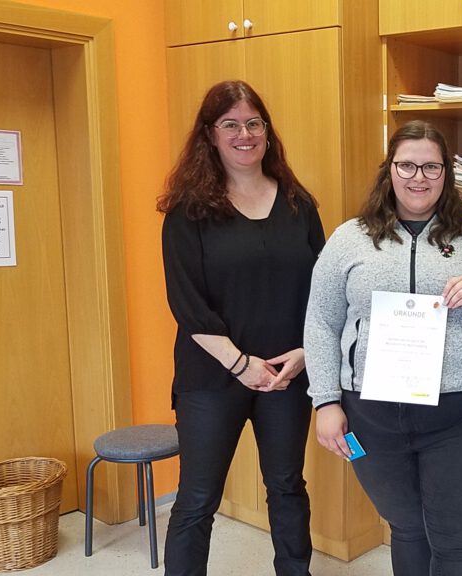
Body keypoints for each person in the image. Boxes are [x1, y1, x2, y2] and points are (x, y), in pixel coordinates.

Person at [304, 120, 462, 576]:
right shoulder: (349, 239)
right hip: (372, 416)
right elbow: (321, 322)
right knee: (406, 529)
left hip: (460, 415)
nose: (418, 177)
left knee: (461, 541)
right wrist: (325, 401)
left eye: (431, 167)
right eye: (406, 165)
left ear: (446, 173)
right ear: (389, 170)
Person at [158, 80, 323, 576]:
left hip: (286, 375)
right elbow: (187, 303)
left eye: (253, 123)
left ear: (267, 132)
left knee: (287, 487)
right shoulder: (188, 212)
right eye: (230, 124)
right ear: (210, 134)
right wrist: (239, 364)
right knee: (197, 499)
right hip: (212, 377)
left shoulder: (297, 203)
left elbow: (323, 290)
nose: (244, 134)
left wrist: (305, 352)